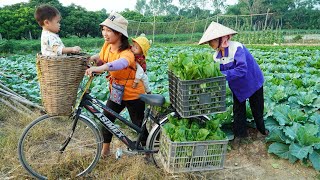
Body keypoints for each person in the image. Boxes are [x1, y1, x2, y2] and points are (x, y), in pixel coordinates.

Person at [85, 12, 147, 157]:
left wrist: (101, 68)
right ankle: (105, 152)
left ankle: (148, 153)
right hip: (116, 91)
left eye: (109, 30)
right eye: (103, 29)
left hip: (133, 93)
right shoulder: (107, 45)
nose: (104, 34)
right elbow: (101, 57)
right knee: (106, 119)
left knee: (137, 124)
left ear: (119, 33)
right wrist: (91, 59)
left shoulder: (128, 53)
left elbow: (120, 63)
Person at [198, 22, 268, 146]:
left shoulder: (237, 48)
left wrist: (223, 75)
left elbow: (242, 69)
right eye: (209, 42)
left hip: (252, 80)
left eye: (212, 41)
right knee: (238, 109)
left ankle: (262, 131)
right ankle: (240, 135)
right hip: (237, 85)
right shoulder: (216, 56)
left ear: (221, 39)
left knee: (257, 108)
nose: (210, 44)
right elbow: (216, 72)